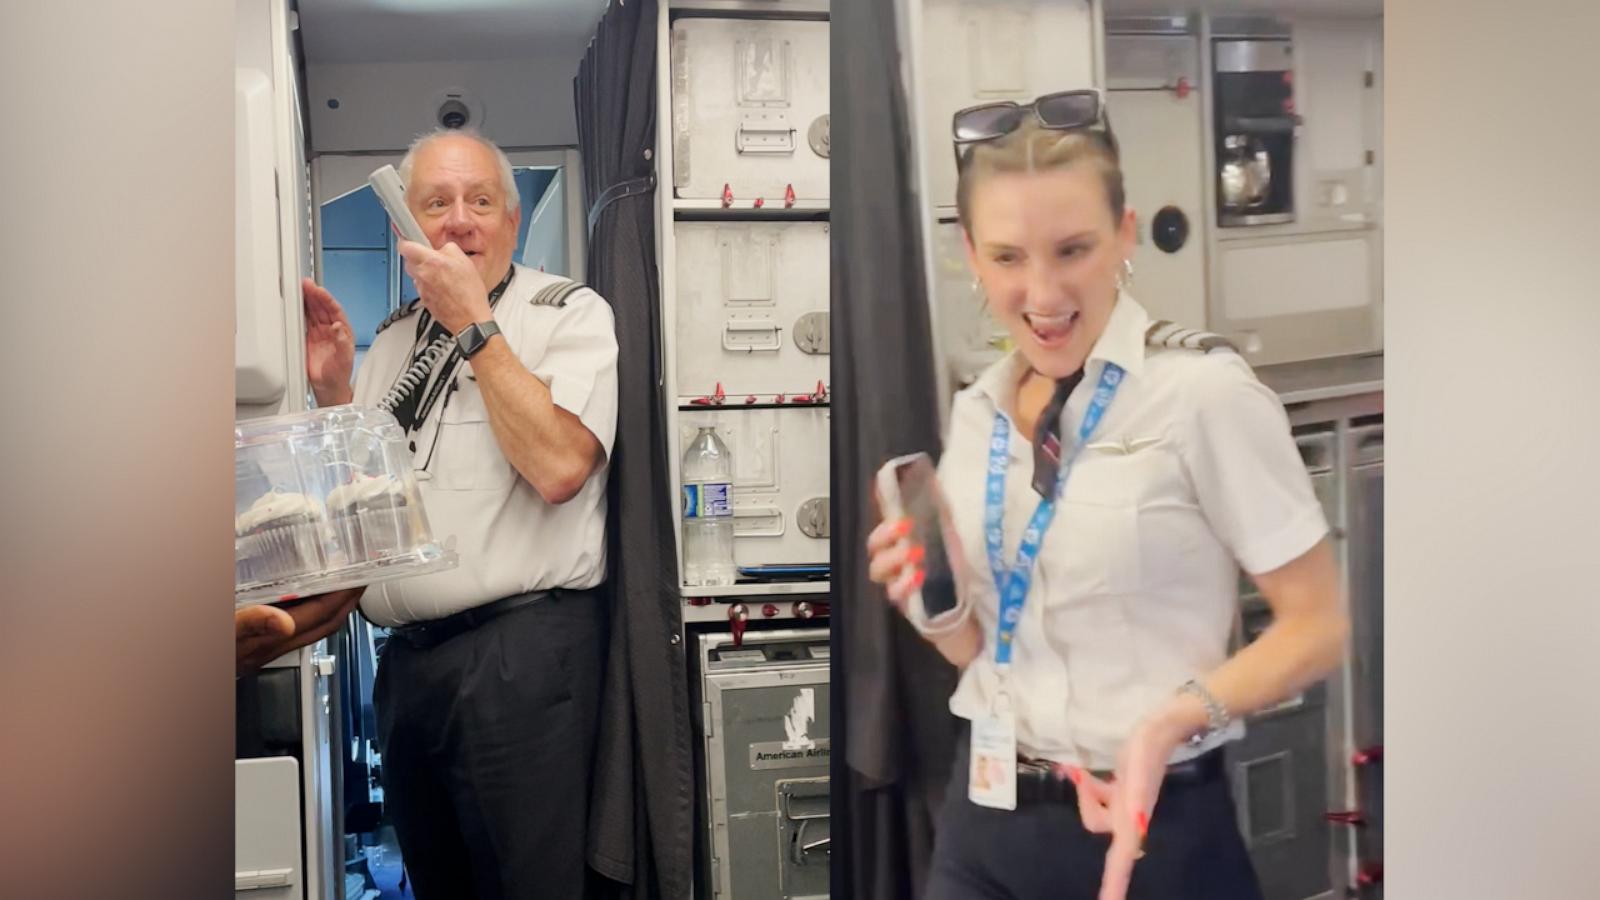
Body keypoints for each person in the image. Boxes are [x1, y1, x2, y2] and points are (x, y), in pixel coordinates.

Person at [865, 91, 1348, 900]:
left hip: (1157, 828)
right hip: (985, 815)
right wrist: (935, 606)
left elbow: (1319, 624)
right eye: (1009, 257)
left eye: (1073, 249)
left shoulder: (1201, 395)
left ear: (1125, 236)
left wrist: (1169, 722)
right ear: (973, 258)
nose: (1044, 293)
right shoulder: (976, 408)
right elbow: (986, 648)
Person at [302, 127, 619, 900]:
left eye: (480, 201)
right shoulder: (394, 341)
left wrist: (476, 327)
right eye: (435, 203)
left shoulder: (565, 315)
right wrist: (338, 394)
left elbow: (558, 467)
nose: (459, 221)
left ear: (511, 220)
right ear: (406, 226)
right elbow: (365, 509)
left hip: (520, 661)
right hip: (410, 671)